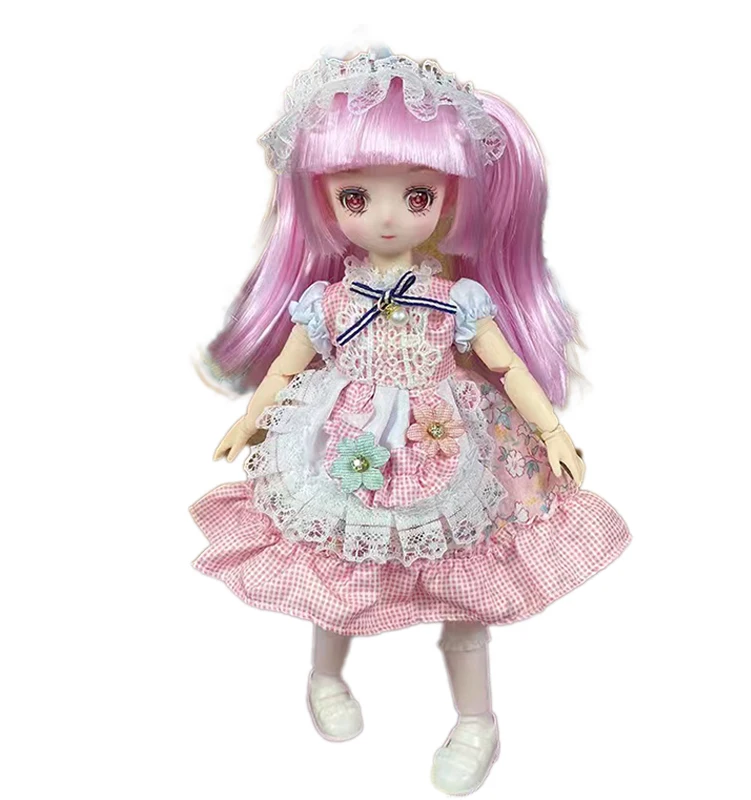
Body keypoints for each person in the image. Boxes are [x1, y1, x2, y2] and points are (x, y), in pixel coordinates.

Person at [190, 48, 631, 796]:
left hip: (448, 444)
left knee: (465, 581)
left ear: (447, 200)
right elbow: (288, 369)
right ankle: (325, 675)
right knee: (338, 559)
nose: (388, 215)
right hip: (347, 441)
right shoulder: (329, 302)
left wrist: (553, 431)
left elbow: (505, 368)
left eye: (416, 195)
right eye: (357, 196)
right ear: (324, 199)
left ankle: (476, 720)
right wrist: (252, 419)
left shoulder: (457, 299)